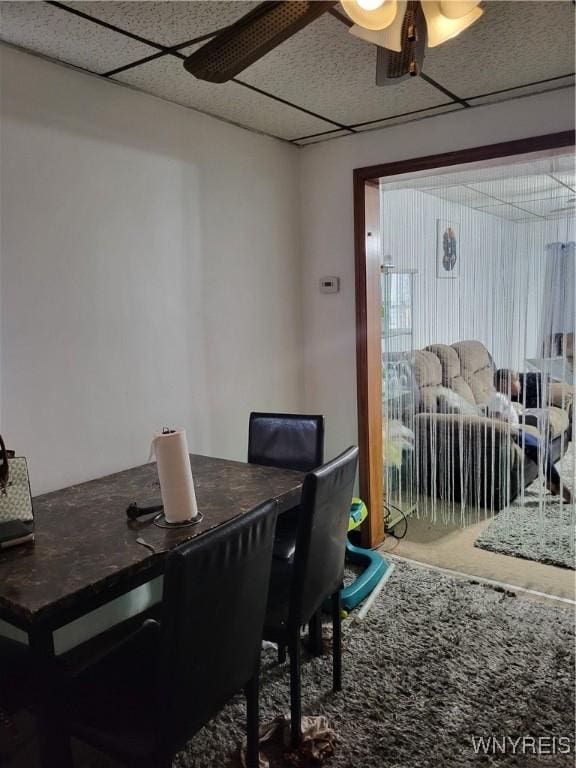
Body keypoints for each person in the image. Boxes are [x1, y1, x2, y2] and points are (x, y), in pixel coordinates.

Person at [488, 369, 572, 504]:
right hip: (511, 434)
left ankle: (552, 481)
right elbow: (495, 422)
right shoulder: (497, 398)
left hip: (517, 431)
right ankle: (559, 486)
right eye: (517, 381)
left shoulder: (503, 398)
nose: (520, 384)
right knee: (538, 448)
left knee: (543, 445)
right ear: (504, 383)